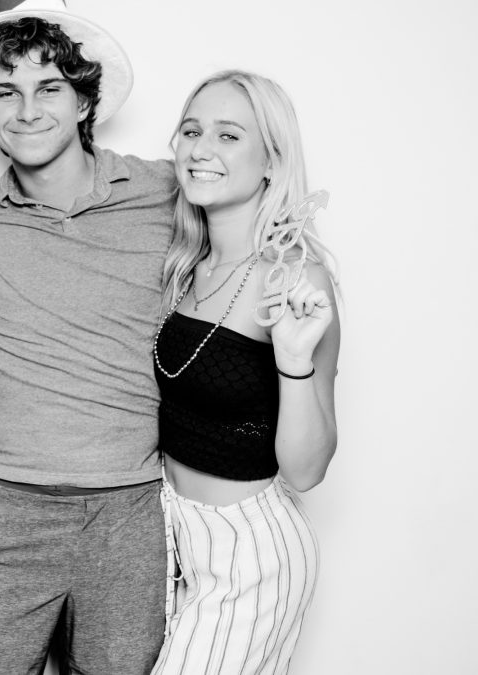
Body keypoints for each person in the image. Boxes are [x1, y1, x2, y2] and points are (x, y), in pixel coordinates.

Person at [0, 2, 175, 672]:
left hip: (132, 511)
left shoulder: (162, 192)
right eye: (6, 92)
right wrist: (37, 406)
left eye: (49, 88)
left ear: (84, 101)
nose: (27, 110)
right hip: (10, 504)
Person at [150, 69, 339, 675]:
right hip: (173, 539)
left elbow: (306, 470)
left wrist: (294, 361)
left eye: (228, 135)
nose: (201, 149)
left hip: (251, 552)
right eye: (191, 131)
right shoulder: (185, 266)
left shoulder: (294, 277)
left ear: (271, 163)